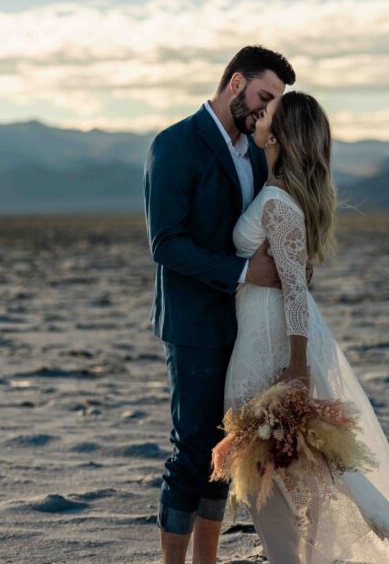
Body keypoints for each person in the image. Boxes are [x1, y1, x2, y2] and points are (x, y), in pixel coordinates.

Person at [225, 91, 389, 563]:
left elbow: (295, 293)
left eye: (269, 114)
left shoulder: (278, 202)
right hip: (262, 341)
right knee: (294, 484)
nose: (260, 115)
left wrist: (296, 369)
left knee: (299, 486)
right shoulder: (277, 194)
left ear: (280, 135)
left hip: (272, 353)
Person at [143, 45, 302, 564]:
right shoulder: (175, 144)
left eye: (274, 102)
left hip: (247, 323)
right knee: (191, 450)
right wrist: (243, 271)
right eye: (262, 96)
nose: (266, 110)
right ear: (235, 82)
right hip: (193, 324)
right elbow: (165, 242)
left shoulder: (256, 152)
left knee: (225, 449)